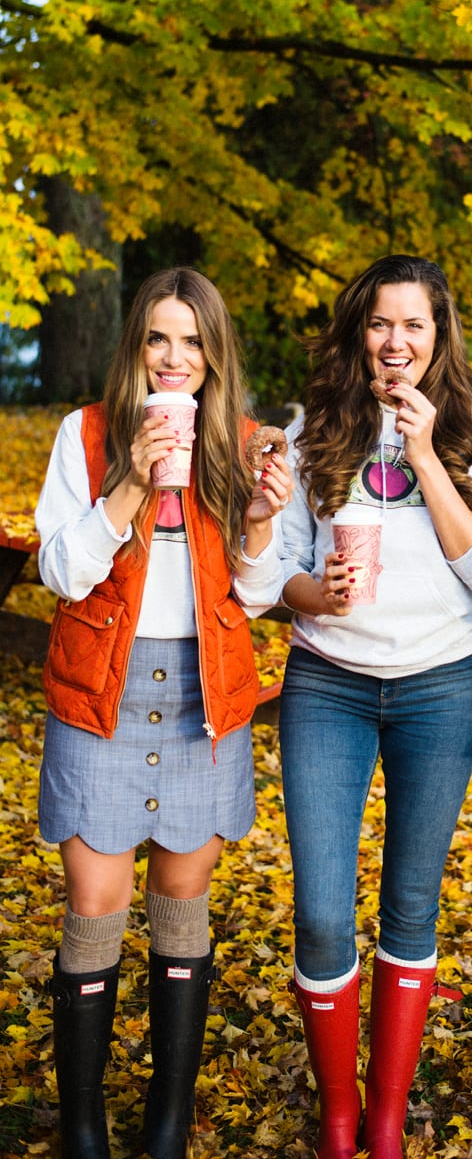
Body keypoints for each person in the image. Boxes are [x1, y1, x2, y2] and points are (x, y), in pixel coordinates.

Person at [35, 267, 293, 1159]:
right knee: (96, 908)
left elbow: (257, 596)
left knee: (183, 906)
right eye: (158, 339)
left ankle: (168, 1128)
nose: (174, 358)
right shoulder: (89, 433)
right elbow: (60, 574)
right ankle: (83, 1132)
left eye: (192, 341)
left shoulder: (249, 443)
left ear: (215, 354)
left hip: (203, 698)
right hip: (102, 693)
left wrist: (259, 521)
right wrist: (133, 486)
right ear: (135, 348)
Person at [277, 254, 472, 1159]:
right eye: (380, 324)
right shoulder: (318, 428)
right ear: (359, 333)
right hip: (328, 685)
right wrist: (320, 594)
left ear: (438, 335)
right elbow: (276, 576)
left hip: (439, 687)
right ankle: (337, 1114)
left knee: (411, 908)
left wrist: (423, 451)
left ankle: (385, 1118)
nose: (396, 341)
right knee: (321, 913)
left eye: (413, 324)